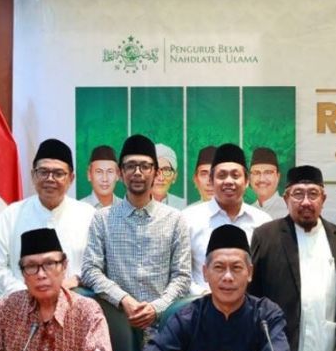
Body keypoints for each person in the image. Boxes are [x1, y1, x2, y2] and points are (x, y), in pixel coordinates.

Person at [133, 225, 290, 351]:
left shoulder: (266, 314)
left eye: (236, 268)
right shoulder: (188, 316)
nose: (228, 277)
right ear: (205, 273)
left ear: (249, 273)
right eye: (219, 267)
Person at [81, 134, 192, 331]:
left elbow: (182, 277)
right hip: (116, 325)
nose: (138, 172)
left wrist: (155, 308)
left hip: (164, 327)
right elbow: (90, 270)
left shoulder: (175, 219)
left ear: (156, 172)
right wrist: (123, 299)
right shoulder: (102, 219)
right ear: (121, 173)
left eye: (145, 166)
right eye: (131, 166)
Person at [250, 165, 336, 351]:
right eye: (298, 194)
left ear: (323, 198)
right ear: (286, 198)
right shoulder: (266, 236)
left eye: (313, 194)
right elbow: (253, 297)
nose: (306, 202)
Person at [0, 138, 95, 307]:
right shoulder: (11, 215)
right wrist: (29, 292)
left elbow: (100, 265)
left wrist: (77, 279)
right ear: (33, 175)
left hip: (76, 307)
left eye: (58, 173)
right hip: (23, 308)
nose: (50, 179)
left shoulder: (89, 215)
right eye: (43, 172)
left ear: (71, 178)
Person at [181, 143, 272, 294]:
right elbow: (180, 273)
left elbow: (269, 273)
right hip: (200, 304)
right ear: (211, 181)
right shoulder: (188, 219)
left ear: (247, 181)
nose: (229, 181)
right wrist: (205, 297)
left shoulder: (263, 222)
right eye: (222, 175)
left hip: (250, 306)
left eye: (235, 175)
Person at [249, 147, 287, 219]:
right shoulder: (247, 213)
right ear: (250, 178)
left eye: (268, 172)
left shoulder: (290, 211)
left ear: (278, 177)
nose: (262, 179)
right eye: (256, 173)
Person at [153, 143, 187, 209]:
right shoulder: (134, 205)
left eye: (167, 170)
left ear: (174, 177)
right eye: (156, 170)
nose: (161, 178)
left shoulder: (184, 207)